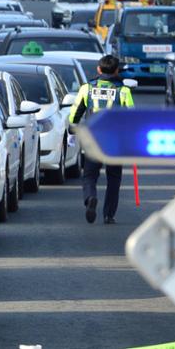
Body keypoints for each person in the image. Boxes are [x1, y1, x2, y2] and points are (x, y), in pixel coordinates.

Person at [68, 55, 134, 224]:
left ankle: (90, 197)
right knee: (114, 178)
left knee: (90, 175)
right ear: (117, 70)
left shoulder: (86, 88)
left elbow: (76, 112)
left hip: (93, 139)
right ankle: (108, 214)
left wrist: (72, 127)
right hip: (115, 142)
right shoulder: (123, 91)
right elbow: (132, 117)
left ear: (99, 69)